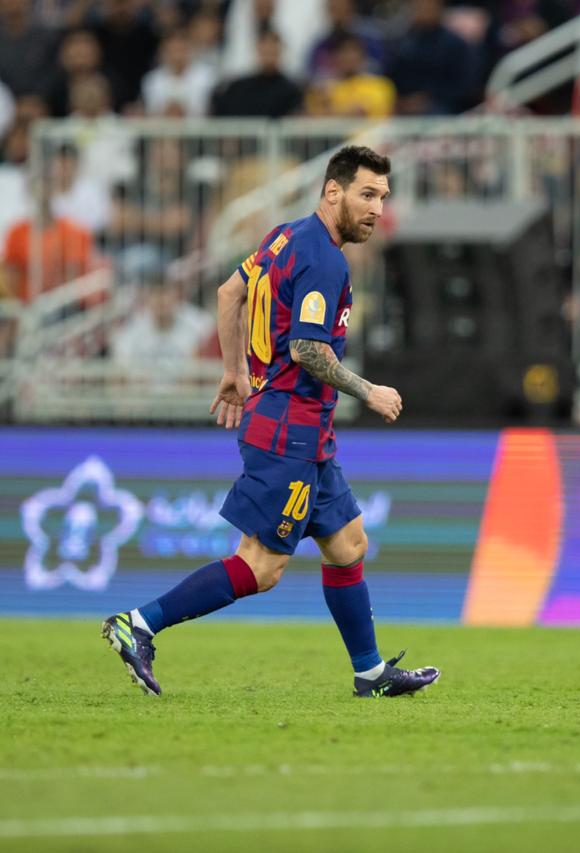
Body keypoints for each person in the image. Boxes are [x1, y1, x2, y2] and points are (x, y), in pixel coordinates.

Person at [101, 146, 439, 700]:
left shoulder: (284, 236)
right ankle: (138, 623)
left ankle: (370, 673)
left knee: (348, 544)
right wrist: (368, 390)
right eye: (367, 195)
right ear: (333, 191)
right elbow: (307, 349)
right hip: (290, 430)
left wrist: (234, 371)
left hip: (302, 428)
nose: (377, 209)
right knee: (260, 567)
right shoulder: (325, 260)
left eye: (383, 197)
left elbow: (229, 292)